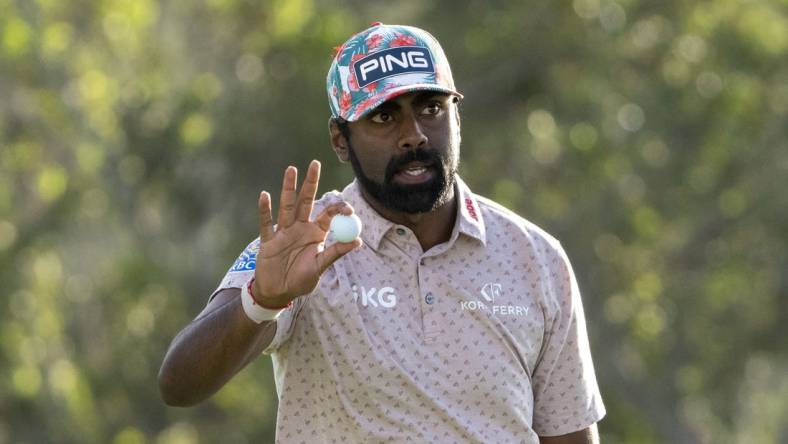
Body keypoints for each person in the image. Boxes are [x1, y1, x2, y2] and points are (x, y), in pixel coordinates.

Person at [159, 22, 606, 443]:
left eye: (430, 108)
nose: (413, 135)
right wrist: (262, 301)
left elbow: (568, 432)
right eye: (383, 117)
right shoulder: (304, 245)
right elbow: (179, 383)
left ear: (456, 117)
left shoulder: (535, 259)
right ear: (340, 139)